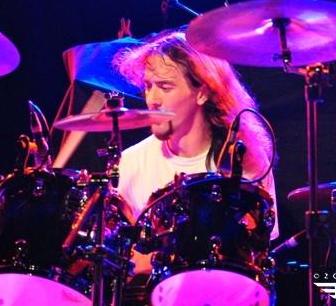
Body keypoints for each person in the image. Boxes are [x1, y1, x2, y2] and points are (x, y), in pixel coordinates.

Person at [113, 28, 279, 238]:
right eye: (148, 86)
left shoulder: (245, 160)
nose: (152, 100)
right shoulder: (130, 164)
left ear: (202, 93)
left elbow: (258, 247)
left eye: (165, 87)